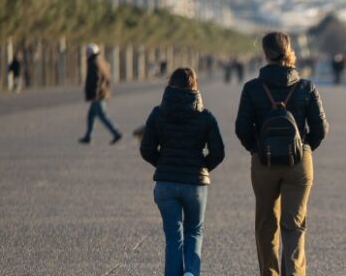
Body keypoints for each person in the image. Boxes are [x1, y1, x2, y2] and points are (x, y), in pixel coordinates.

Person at [235, 32, 328, 276]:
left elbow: (242, 128)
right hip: (299, 162)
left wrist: (256, 150)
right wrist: (305, 148)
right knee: (294, 226)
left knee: (266, 224)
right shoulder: (306, 86)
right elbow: (320, 128)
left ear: (265, 55)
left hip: (263, 162)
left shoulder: (252, 88)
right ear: (289, 51)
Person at [140, 67, 225, 276]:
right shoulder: (206, 116)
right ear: (195, 86)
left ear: (170, 84)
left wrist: (163, 164)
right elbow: (219, 152)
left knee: (173, 237)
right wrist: (202, 167)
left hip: (166, 184)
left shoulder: (158, 113)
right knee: (194, 231)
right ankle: (192, 272)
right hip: (195, 184)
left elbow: (146, 149)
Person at [79, 43, 122, 145]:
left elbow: (96, 79)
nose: (86, 54)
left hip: (98, 95)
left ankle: (116, 133)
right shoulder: (101, 61)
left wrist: (94, 94)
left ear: (91, 52)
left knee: (102, 115)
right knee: (91, 115)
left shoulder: (94, 62)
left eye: (87, 52)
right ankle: (88, 136)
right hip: (102, 93)